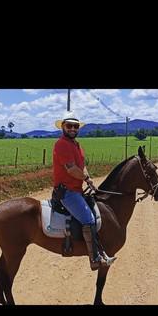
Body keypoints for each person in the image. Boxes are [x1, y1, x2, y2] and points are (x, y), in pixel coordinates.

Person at [53, 111, 116, 271]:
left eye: (75, 126)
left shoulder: (77, 145)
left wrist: (88, 177)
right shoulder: (61, 144)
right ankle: (95, 259)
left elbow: (82, 166)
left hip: (77, 190)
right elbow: (71, 169)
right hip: (67, 192)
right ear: (63, 127)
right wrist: (86, 179)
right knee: (89, 219)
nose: (73, 128)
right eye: (69, 126)